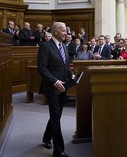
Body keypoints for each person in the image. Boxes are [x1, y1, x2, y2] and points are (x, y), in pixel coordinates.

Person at [37, 22, 75, 157]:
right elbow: (42, 68)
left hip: (63, 87)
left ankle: (46, 137)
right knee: (55, 118)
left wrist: (71, 74)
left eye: (66, 31)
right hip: (52, 87)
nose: (66, 33)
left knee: (56, 116)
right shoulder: (45, 46)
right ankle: (58, 150)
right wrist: (54, 81)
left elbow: (65, 66)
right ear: (55, 32)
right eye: (64, 31)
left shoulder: (64, 46)